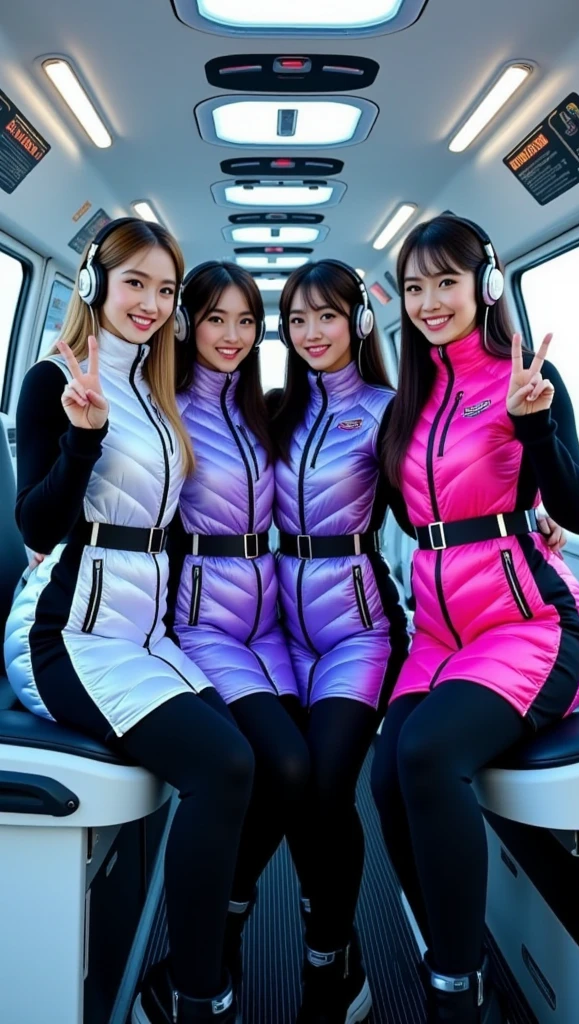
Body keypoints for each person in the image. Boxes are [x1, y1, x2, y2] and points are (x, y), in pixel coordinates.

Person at [3, 219, 254, 1024]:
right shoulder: (54, 379)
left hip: (144, 636)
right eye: (135, 282)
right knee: (221, 767)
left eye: (165, 289)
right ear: (92, 284)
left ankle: (202, 947)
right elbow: (39, 529)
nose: (150, 302)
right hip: (66, 635)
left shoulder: (155, 387)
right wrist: (82, 442)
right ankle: (193, 992)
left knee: (248, 756)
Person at [370, 214, 579, 1024]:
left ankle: (453, 998)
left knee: (427, 754)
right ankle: (450, 955)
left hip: (530, 625)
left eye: (446, 282)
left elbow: (578, 504)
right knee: (385, 778)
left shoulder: (525, 378)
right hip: (439, 638)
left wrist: (536, 428)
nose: (430, 301)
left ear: (486, 285)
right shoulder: (413, 399)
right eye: (415, 286)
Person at [271, 260, 410, 1024]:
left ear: (358, 320)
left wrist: (528, 513)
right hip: (279, 634)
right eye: (296, 319)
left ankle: (330, 955)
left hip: (358, 629)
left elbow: (432, 504)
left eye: (326, 315)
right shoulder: (274, 410)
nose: (312, 333)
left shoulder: (391, 410)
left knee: (328, 786)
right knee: (293, 785)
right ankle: (330, 925)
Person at [170, 261, 309, 988]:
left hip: (272, 628)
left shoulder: (268, 409)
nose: (232, 335)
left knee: (302, 773)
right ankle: (216, 925)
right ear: (188, 322)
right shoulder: (165, 406)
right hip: (203, 623)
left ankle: (223, 918)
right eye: (216, 318)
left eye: (247, 321)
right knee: (278, 764)